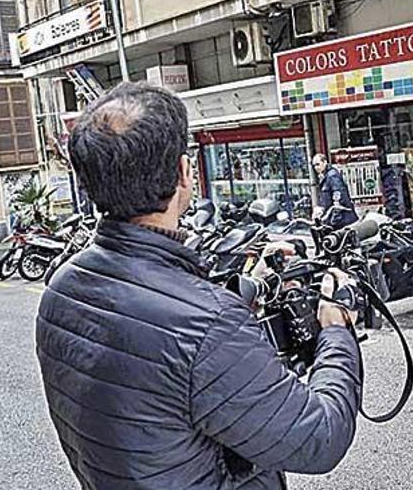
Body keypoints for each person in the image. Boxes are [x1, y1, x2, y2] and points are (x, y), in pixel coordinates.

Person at [36, 82, 362, 489]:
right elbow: (319, 438)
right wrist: (335, 329)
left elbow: (150, 390)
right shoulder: (207, 323)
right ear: (183, 172)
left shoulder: (60, 288)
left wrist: (245, 293)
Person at [312, 153, 359, 228]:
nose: (316, 167)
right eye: (314, 165)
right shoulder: (325, 176)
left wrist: (335, 219)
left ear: (325, 162)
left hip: (342, 220)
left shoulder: (332, 176)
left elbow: (339, 196)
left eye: (318, 164)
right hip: (333, 219)